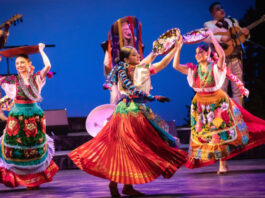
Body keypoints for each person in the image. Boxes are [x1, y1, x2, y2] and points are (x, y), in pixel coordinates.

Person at [69, 45, 187, 197]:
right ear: (126, 59)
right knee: (126, 148)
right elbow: (133, 90)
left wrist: (176, 48)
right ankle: (114, 184)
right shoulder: (124, 71)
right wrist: (154, 97)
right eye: (134, 55)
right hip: (128, 113)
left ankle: (127, 187)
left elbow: (161, 63)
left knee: (135, 148)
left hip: (140, 111)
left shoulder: (142, 69)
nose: (138, 56)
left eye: (138, 54)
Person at [172, 30, 265, 174]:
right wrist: (178, 47)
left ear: (208, 53)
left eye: (201, 52)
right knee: (205, 134)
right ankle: (213, 161)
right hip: (201, 104)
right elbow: (175, 66)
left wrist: (212, 39)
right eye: (196, 53)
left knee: (219, 133)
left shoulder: (215, 67)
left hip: (217, 101)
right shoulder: (193, 69)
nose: (197, 55)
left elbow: (222, 55)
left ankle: (223, 164)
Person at [0, 43, 58, 189]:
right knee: (17, 149)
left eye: (22, 63)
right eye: (17, 63)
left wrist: (41, 50)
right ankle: (16, 178)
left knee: (33, 149)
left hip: (34, 116)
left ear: (28, 64)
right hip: (17, 117)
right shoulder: (12, 80)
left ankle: (34, 179)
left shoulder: (36, 78)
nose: (19, 65)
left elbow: (48, 66)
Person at [204, 2, 250, 106]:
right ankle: (223, 117)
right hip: (222, 62)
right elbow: (206, 37)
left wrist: (246, 34)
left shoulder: (232, 21)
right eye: (218, 9)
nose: (221, 10)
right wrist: (222, 38)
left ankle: (239, 116)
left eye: (222, 8)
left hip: (236, 58)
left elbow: (239, 39)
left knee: (238, 88)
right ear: (213, 14)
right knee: (222, 89)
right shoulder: (209, 24)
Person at [102, 16, 144, 104]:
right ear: (120, 33)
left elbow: (141, 62)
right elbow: (107, 64)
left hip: (134, 79)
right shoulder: (113, 47)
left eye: (129, 29)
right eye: (125, 30)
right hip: (118, 79)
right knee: (115, 99)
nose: (128, 32)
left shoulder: (136, 46)